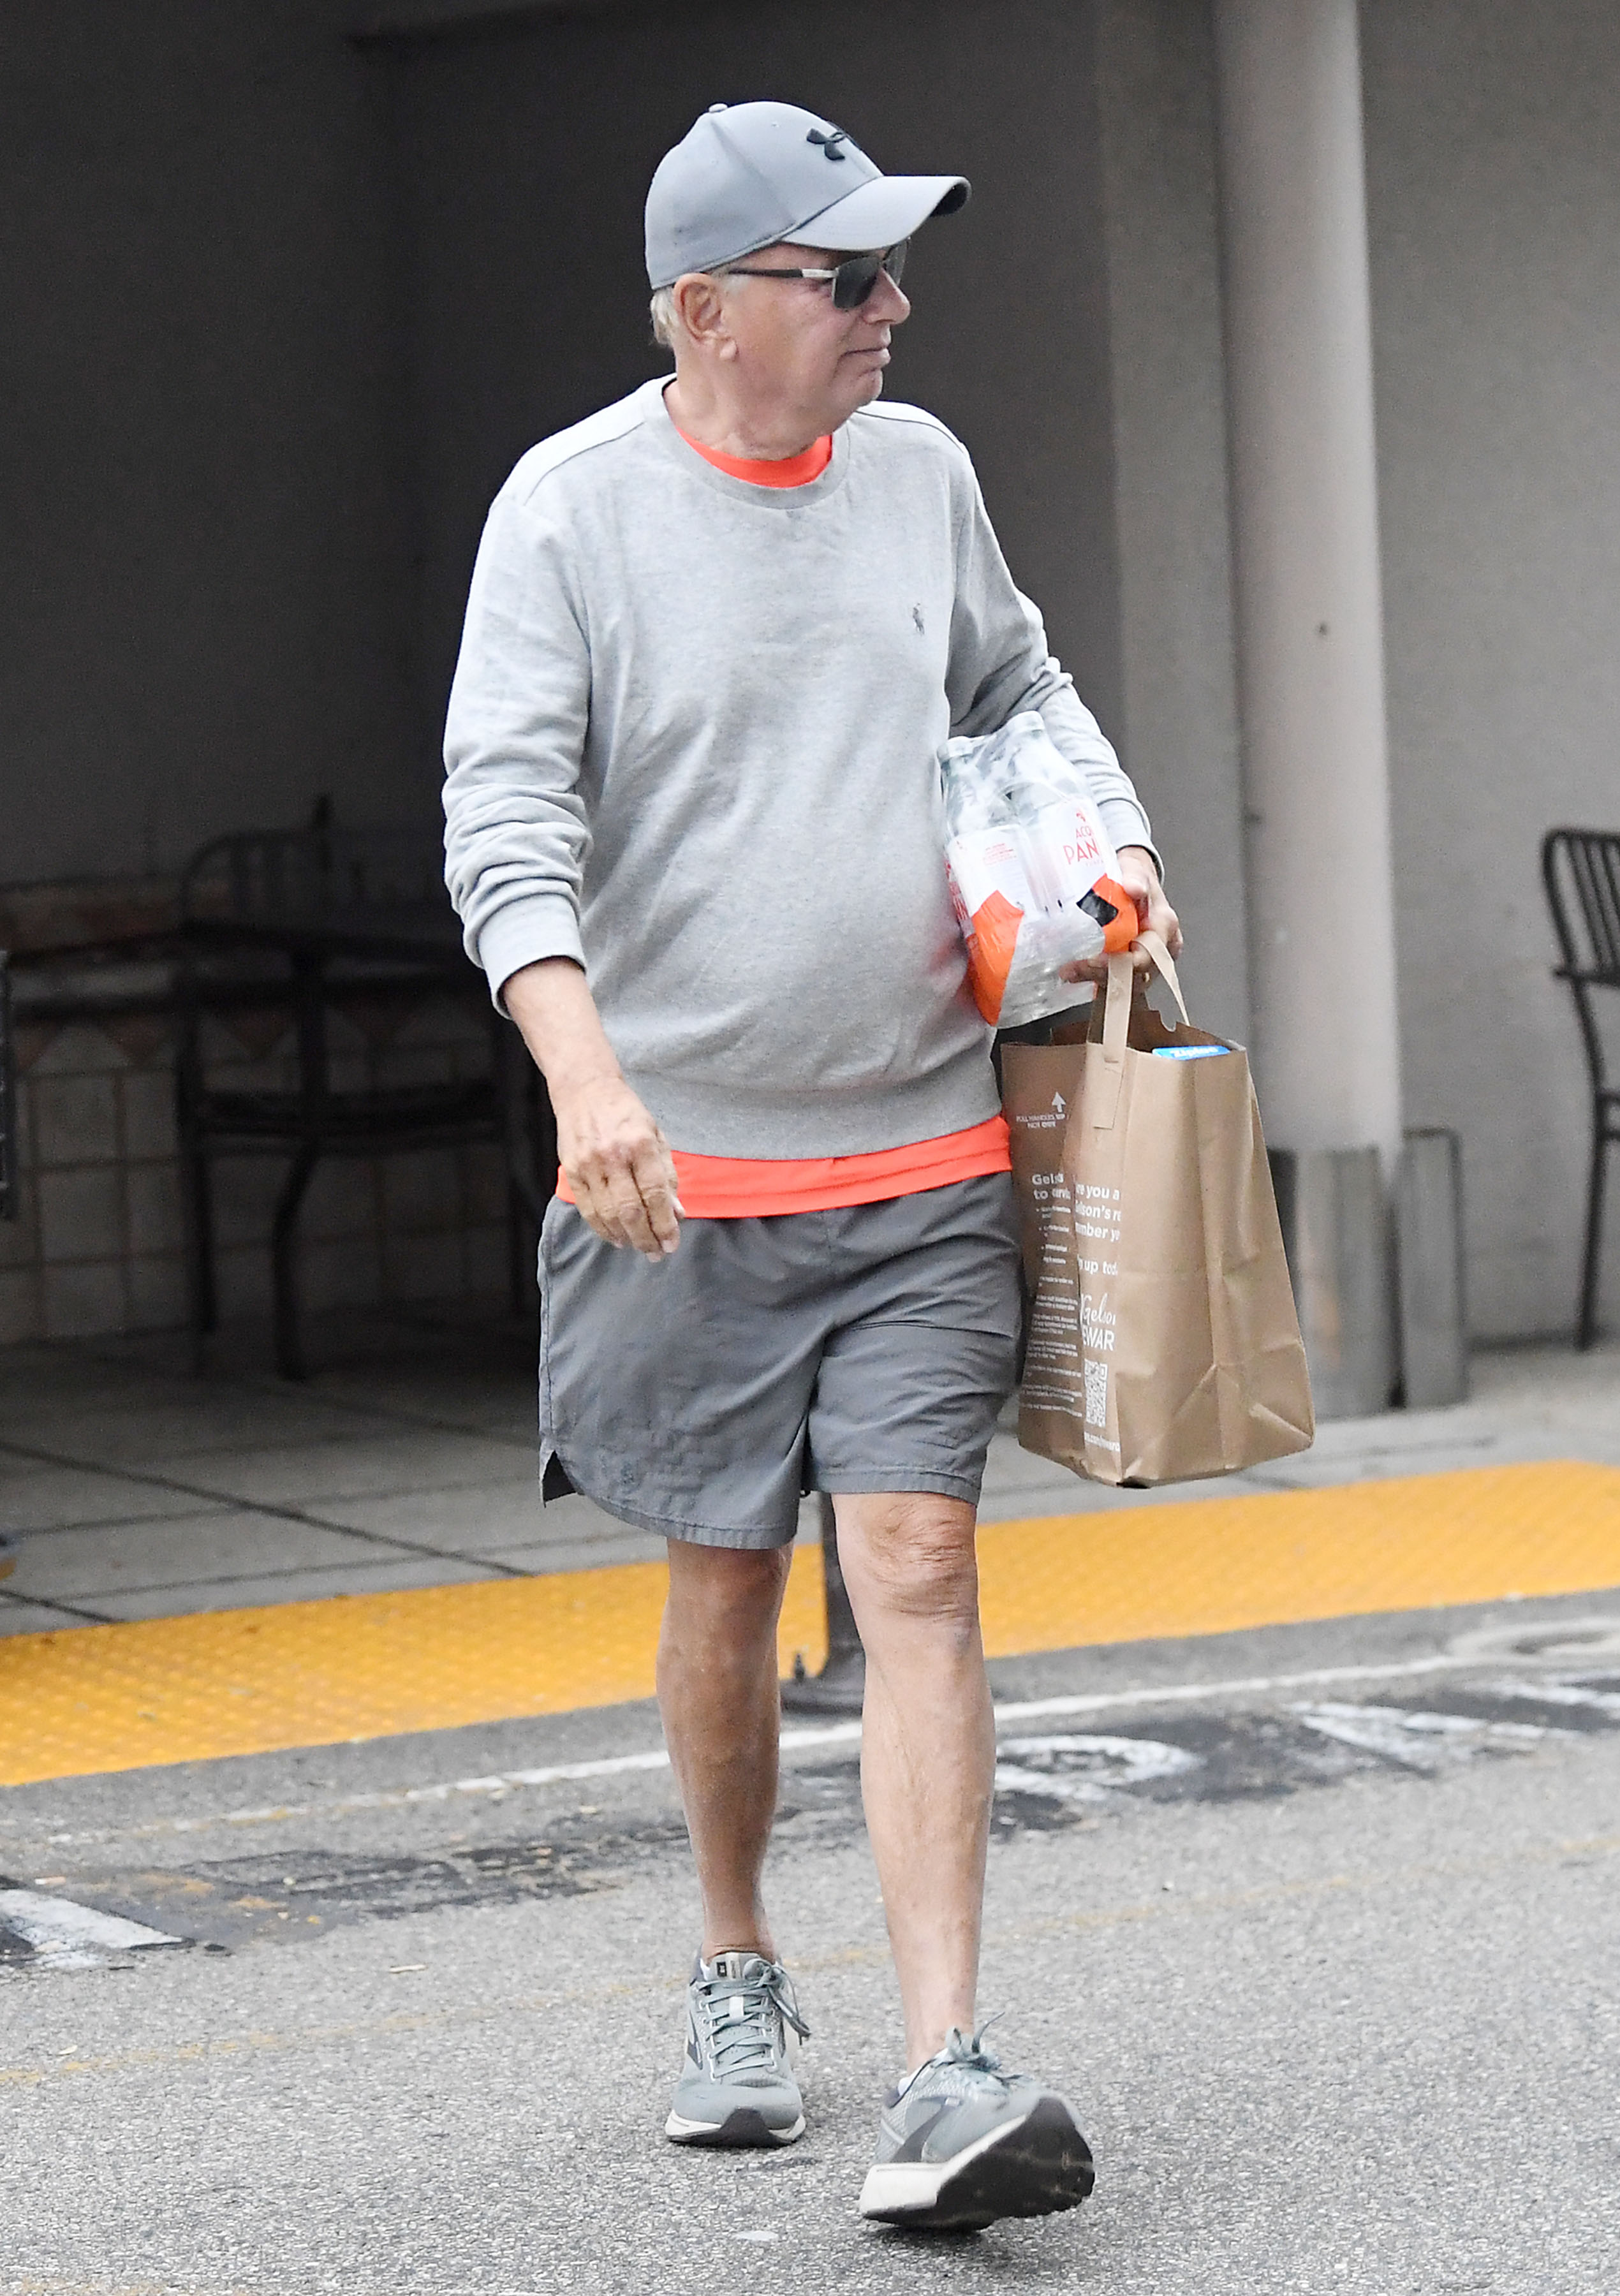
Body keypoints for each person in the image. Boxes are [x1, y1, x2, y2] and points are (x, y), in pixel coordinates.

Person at [443, 99, 1181, 2233]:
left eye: (890, 271)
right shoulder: (569, 512)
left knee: (922, 1570)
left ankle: (946, 2062)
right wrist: (585, 1078)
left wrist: (1101, 853)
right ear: (707, 310)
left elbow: (1019, 684)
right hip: (677, 1176)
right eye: (844, 277)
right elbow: (507, 824)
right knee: (723, 1588)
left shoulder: (922, 474)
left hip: (924, 1145)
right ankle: (738, 1965)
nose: (894, 308)